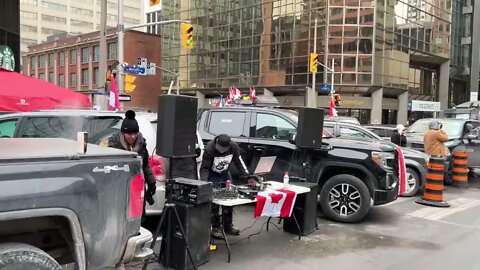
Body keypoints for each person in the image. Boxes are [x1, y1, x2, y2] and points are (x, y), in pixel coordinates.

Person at [200, 134, 250, 239]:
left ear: (229, 146)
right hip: (213, 175)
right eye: (220, 149)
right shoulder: (210, 148)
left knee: (229, 199)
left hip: (226, 174)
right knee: (214, 202)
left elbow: (239, 162)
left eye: (224, 149)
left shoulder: (234, 147)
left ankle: (228, 225)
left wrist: (247, 176)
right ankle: (215, 228)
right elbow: (204, 168)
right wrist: (204, 183)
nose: (222, 151)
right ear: (217, 143)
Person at [108, 110, 156, 214]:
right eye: (129, 133)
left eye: (135, 133)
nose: (133, 136)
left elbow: (145, 166)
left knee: (139, 216)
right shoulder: (114, 146)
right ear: (123, 133)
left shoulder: (141, 144)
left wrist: (152, 183)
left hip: (137, 187)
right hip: (120, 189)